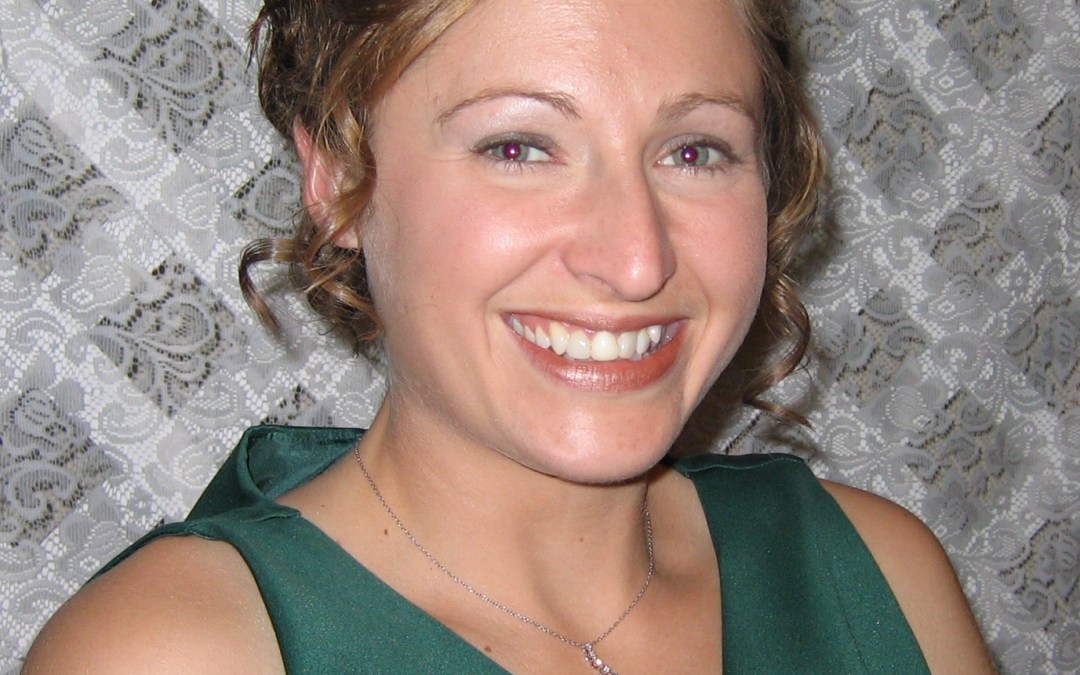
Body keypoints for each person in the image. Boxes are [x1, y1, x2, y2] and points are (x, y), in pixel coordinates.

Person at [24, 0, 996, 672]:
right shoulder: (178, 651)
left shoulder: (882, 579)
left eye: (695, 150)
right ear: (338, 181)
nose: (636, 259)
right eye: (520, 146)